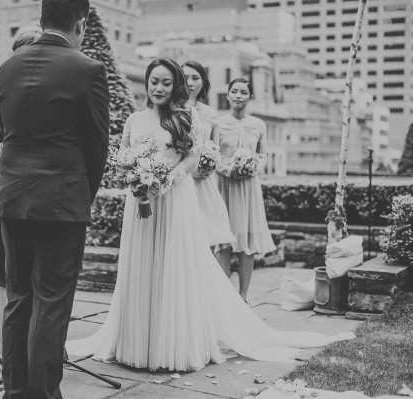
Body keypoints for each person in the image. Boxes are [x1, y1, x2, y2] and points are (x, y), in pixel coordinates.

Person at [66, 58, 354, 373]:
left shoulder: (184, 117)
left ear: (174, 85)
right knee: (141, 267)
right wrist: (134, 179)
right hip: (139, 204)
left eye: (165, 82)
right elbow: (123, 156)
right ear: (147, 85)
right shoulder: (134, 119)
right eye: (154, 82)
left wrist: (165, 179)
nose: (159, 88)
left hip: (174, 202)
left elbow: (191, 158)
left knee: (172, 268)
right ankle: (135, 342)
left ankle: (170, 344)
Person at [0, 0, 109, 397]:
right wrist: (81, 195)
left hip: (12, 199)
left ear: (42, 19)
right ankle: (43, 394)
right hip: (63, 202)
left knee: (18, 297)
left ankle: (14, 392)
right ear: (81, 22)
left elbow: (8, 133)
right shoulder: (88, 69)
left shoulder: (7, 68)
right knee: (52, 301)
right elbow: (97, 149)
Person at [0, 25, 42, 370]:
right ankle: (2, 350)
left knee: (31, 273)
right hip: (1, 191)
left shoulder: (45, 92)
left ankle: (29, 347)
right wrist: (6, 148)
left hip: (35, 193)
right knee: (1, 270)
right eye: (25, 53)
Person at [216, 78, 276, 303]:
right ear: (228, 95)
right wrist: (228, 169)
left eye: (243, 92)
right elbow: (212, 154)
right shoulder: (218, 123)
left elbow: (263, 154)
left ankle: (243, 295)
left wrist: (253, 168)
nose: (239, 95)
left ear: (250, 97)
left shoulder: (259, 124)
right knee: (223, 240)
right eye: (234, 91)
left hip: (249, 188)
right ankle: (224, 296)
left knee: (247, 241)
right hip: (225, 186)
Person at [182, 60, 234, 270]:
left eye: (195, 78)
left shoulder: (211, 114)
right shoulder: (173, 110)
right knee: (185, 235)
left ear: (203, 83)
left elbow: (215, 148)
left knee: (210, 234)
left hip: (205, 181)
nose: (190, 83)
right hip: (183, 178)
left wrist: (211, 165)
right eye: (185, 77)